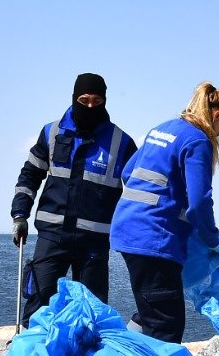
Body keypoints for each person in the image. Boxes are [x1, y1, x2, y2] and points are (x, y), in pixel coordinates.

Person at [110, 82, 219, 342]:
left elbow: (128, 172)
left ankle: (124, 351)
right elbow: (200, 202)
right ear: (218, 117)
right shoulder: (198, 141)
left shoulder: (163, 129)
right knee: (166, 324)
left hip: (128, 230)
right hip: (155, 237)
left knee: (149, 310)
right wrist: (213, 240)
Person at [10, 73, 139, 319]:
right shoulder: (51, 133)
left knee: (92, 310)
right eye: (84, 99)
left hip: (94, 242)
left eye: (97, 100)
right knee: (40, 300)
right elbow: (29, 176)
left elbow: (138, 192)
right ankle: (32, 351)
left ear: (105, 101)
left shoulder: (121, 142)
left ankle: (89, 354)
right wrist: (19, 215)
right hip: (52, 236)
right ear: (74, 98)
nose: (90, 105)